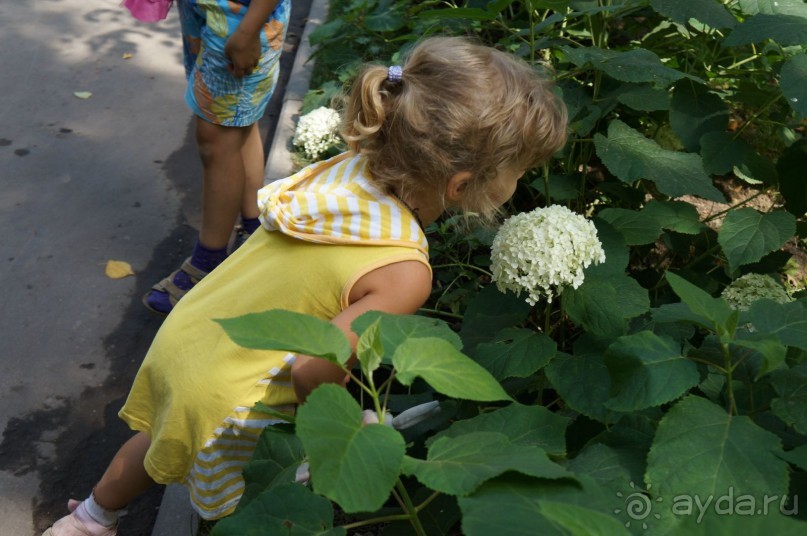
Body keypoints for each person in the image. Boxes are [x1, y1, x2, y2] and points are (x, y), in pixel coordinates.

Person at [42, 36, 568, 535]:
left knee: (159, 436)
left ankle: (89, 518)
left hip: (194, 338)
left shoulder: (349, 172)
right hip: (236, 397)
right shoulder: (404, 271)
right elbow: (314, 366)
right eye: (519, 169)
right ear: (461, 185)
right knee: (260, 501)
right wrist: (340, 432)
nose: (520, 180)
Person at [142, 0, 291, 315]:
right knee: (238, 118)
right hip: (210, 11)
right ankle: (255, 225)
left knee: (216, 139)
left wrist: (249, 29)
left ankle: (208, 263)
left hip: (242, 16)